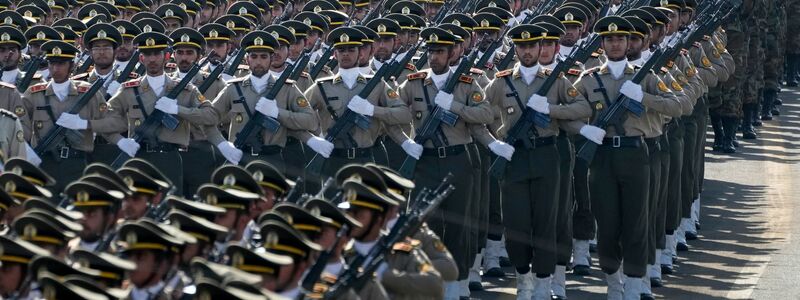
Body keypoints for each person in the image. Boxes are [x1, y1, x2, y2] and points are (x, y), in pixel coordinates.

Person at [99, 31, 220, 196]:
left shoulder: (185, 89)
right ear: (141, 59)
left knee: (170, 208)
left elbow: (211, 115)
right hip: (139, 157)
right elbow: (102, 118)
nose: (152, 59)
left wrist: (178, 110)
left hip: (170, 159)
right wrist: (119, 141)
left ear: (167, 56)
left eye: (157, 53)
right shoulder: (129, 89)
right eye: (147, 54)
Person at [206, 30, 319, 170]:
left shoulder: (286, 88)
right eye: (254, 56)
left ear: (271, 58)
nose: (258, 61)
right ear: (247, 60)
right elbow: (207, 119)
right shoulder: (233, 88)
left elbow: (311, 121)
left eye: (264, 56)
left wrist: (277, 113)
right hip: (240, 159)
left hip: (273, 160)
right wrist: (222, 144)